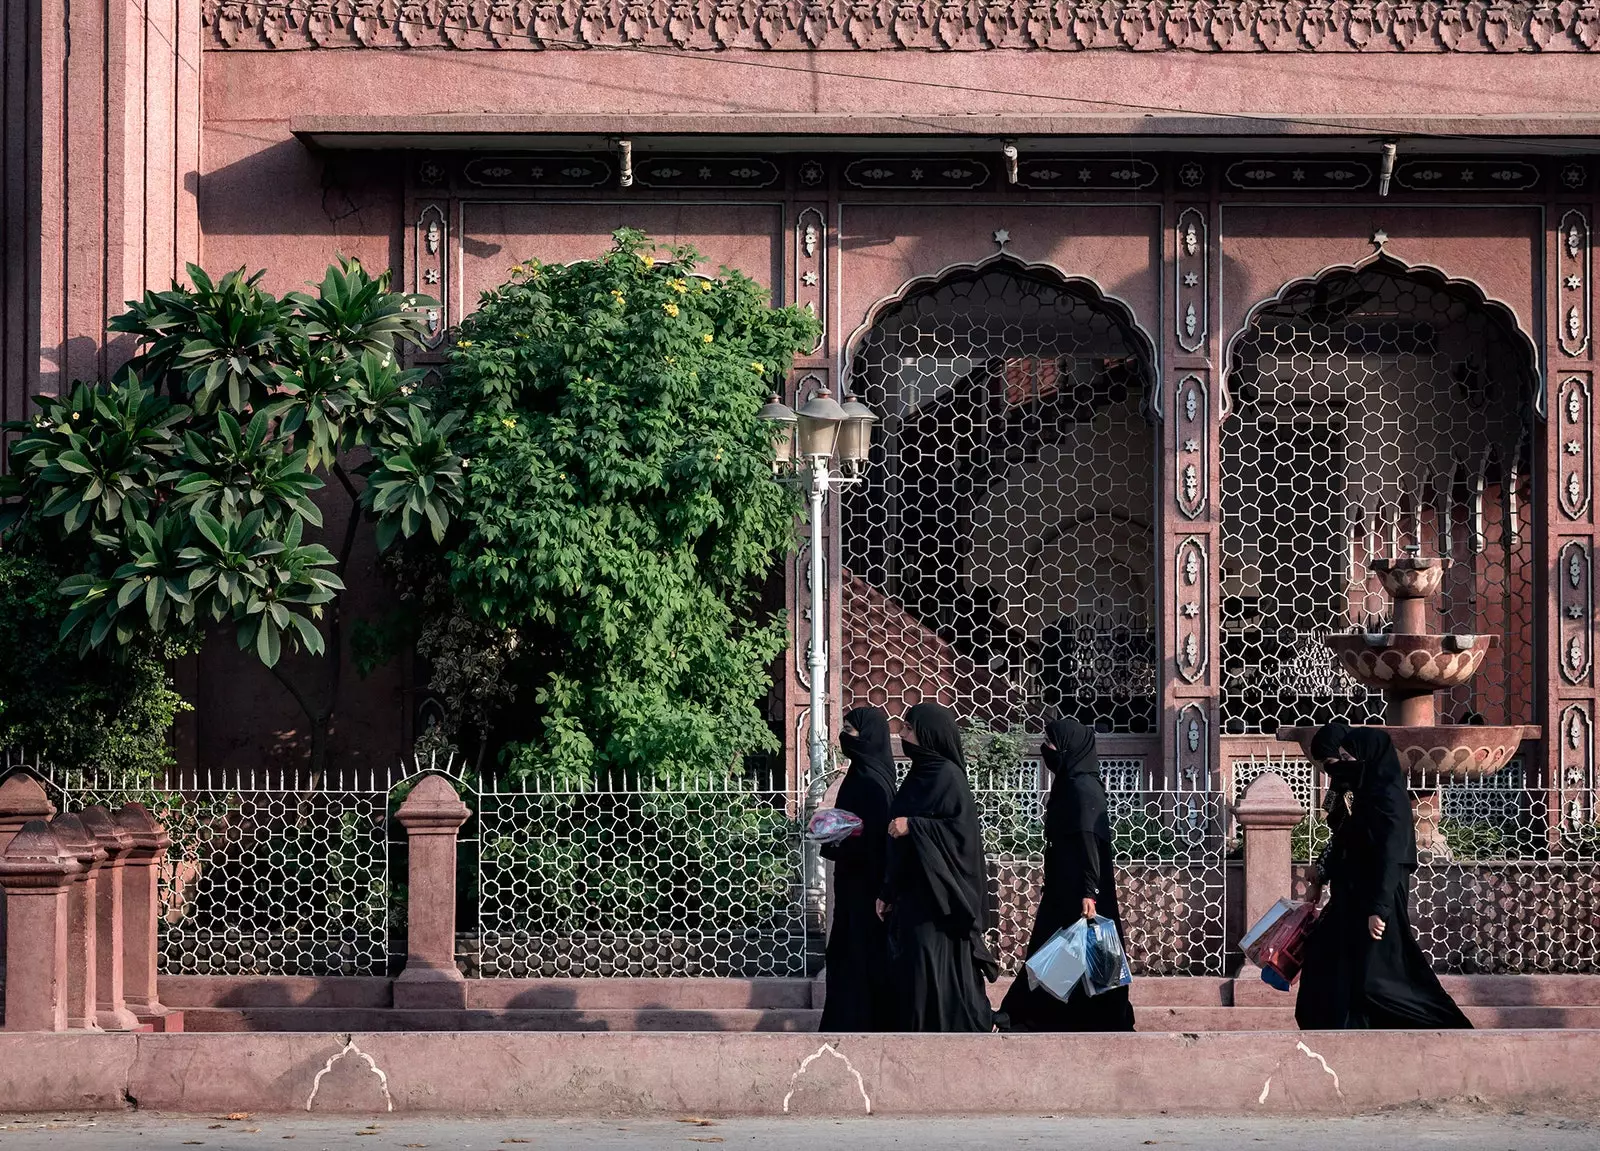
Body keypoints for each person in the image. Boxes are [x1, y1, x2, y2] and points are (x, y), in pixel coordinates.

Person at [1295, 720, 1472, 1031]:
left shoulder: (1388, 797)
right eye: (1336, 762)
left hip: (1375, 897)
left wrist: (1378, 909)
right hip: (1352, 895)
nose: (1338, 768)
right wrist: (1322, 874)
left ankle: (1450, 1028)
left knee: (1383, 977)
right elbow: (1339, 827)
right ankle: (1336, 1029)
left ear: (1368, 757)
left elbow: (1390, 857)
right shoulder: (1366, 796)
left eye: (1345, 760)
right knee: (1329, 958)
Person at [996, 717, 1135, 1032]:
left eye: (1052, 743)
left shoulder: (1081, 787)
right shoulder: (1071, 783)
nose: (1046, 749)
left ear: (1070, 747)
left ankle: (1046, 1015)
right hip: (1065, 885)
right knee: (1059, 950)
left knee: (1081, 951)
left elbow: (1089, 839)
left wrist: (1089, 890)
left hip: (1079, 889)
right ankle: (1037, 1014)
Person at [878, 702, 997, 1031]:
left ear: (928, 735)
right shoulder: (919, 776)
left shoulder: (948, 777)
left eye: (909, 729)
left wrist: (913, 826)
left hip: (941, 902)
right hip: (913, 896)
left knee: (936, 966)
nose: (902, 735)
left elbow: (960, 836)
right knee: (914, 971)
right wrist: (887, 890)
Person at [818, 706, 898, 1031]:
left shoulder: (874, 783)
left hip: (868, 890)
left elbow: (878, 840)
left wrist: (845, 835)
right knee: (847, 956)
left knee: (860, 959)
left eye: (851, 731)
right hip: (852, 884)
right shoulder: (859, 775)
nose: (844, 737)